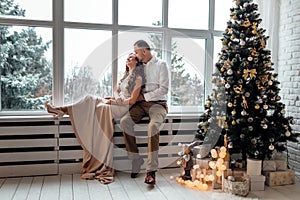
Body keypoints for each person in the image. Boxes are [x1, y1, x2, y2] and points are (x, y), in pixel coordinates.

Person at [45, 53, 145, 184]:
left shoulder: (138, 78)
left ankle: (62, 111)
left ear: (137, 62)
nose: (128, 58)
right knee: (89, 99)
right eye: (128, 56)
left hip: (122, 107)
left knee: (99, 108)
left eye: (132, 57)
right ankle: (61, 109)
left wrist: (115, 102)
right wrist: (113, 99)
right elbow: (117, 92)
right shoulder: (125, 76)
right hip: (116, 102)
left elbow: (131, 100)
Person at [120, 40, 169, 185]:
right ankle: (136, 159)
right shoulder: (139, 66)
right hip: (140, 105)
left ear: (144, 51)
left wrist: (144, 97)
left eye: (136, 52)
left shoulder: (161, 64)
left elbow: (164, 89)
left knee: (153, 127)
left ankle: (151, 171)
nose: (134, 55)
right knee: (124, 122)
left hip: (158, 104)